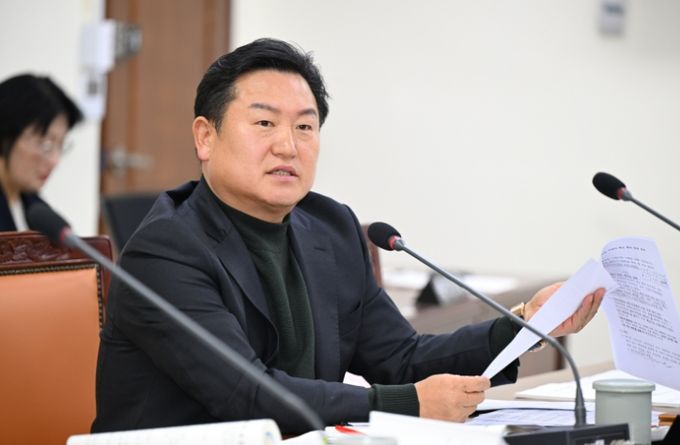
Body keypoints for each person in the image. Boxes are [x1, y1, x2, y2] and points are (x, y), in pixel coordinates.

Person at [92, 38, 604, 434]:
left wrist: (524, 326)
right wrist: (408, 404)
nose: (287, 146)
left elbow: (401, 359)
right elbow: (247, 396)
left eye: (305, 127)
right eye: (264, 123)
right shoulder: (166, 250)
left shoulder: (330, 228)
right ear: (205, 137)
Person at [0, 73, 83, 231]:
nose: (54, 161)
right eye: (45, 145)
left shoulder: (35, 208)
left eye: (61, 145)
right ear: (5, 135)